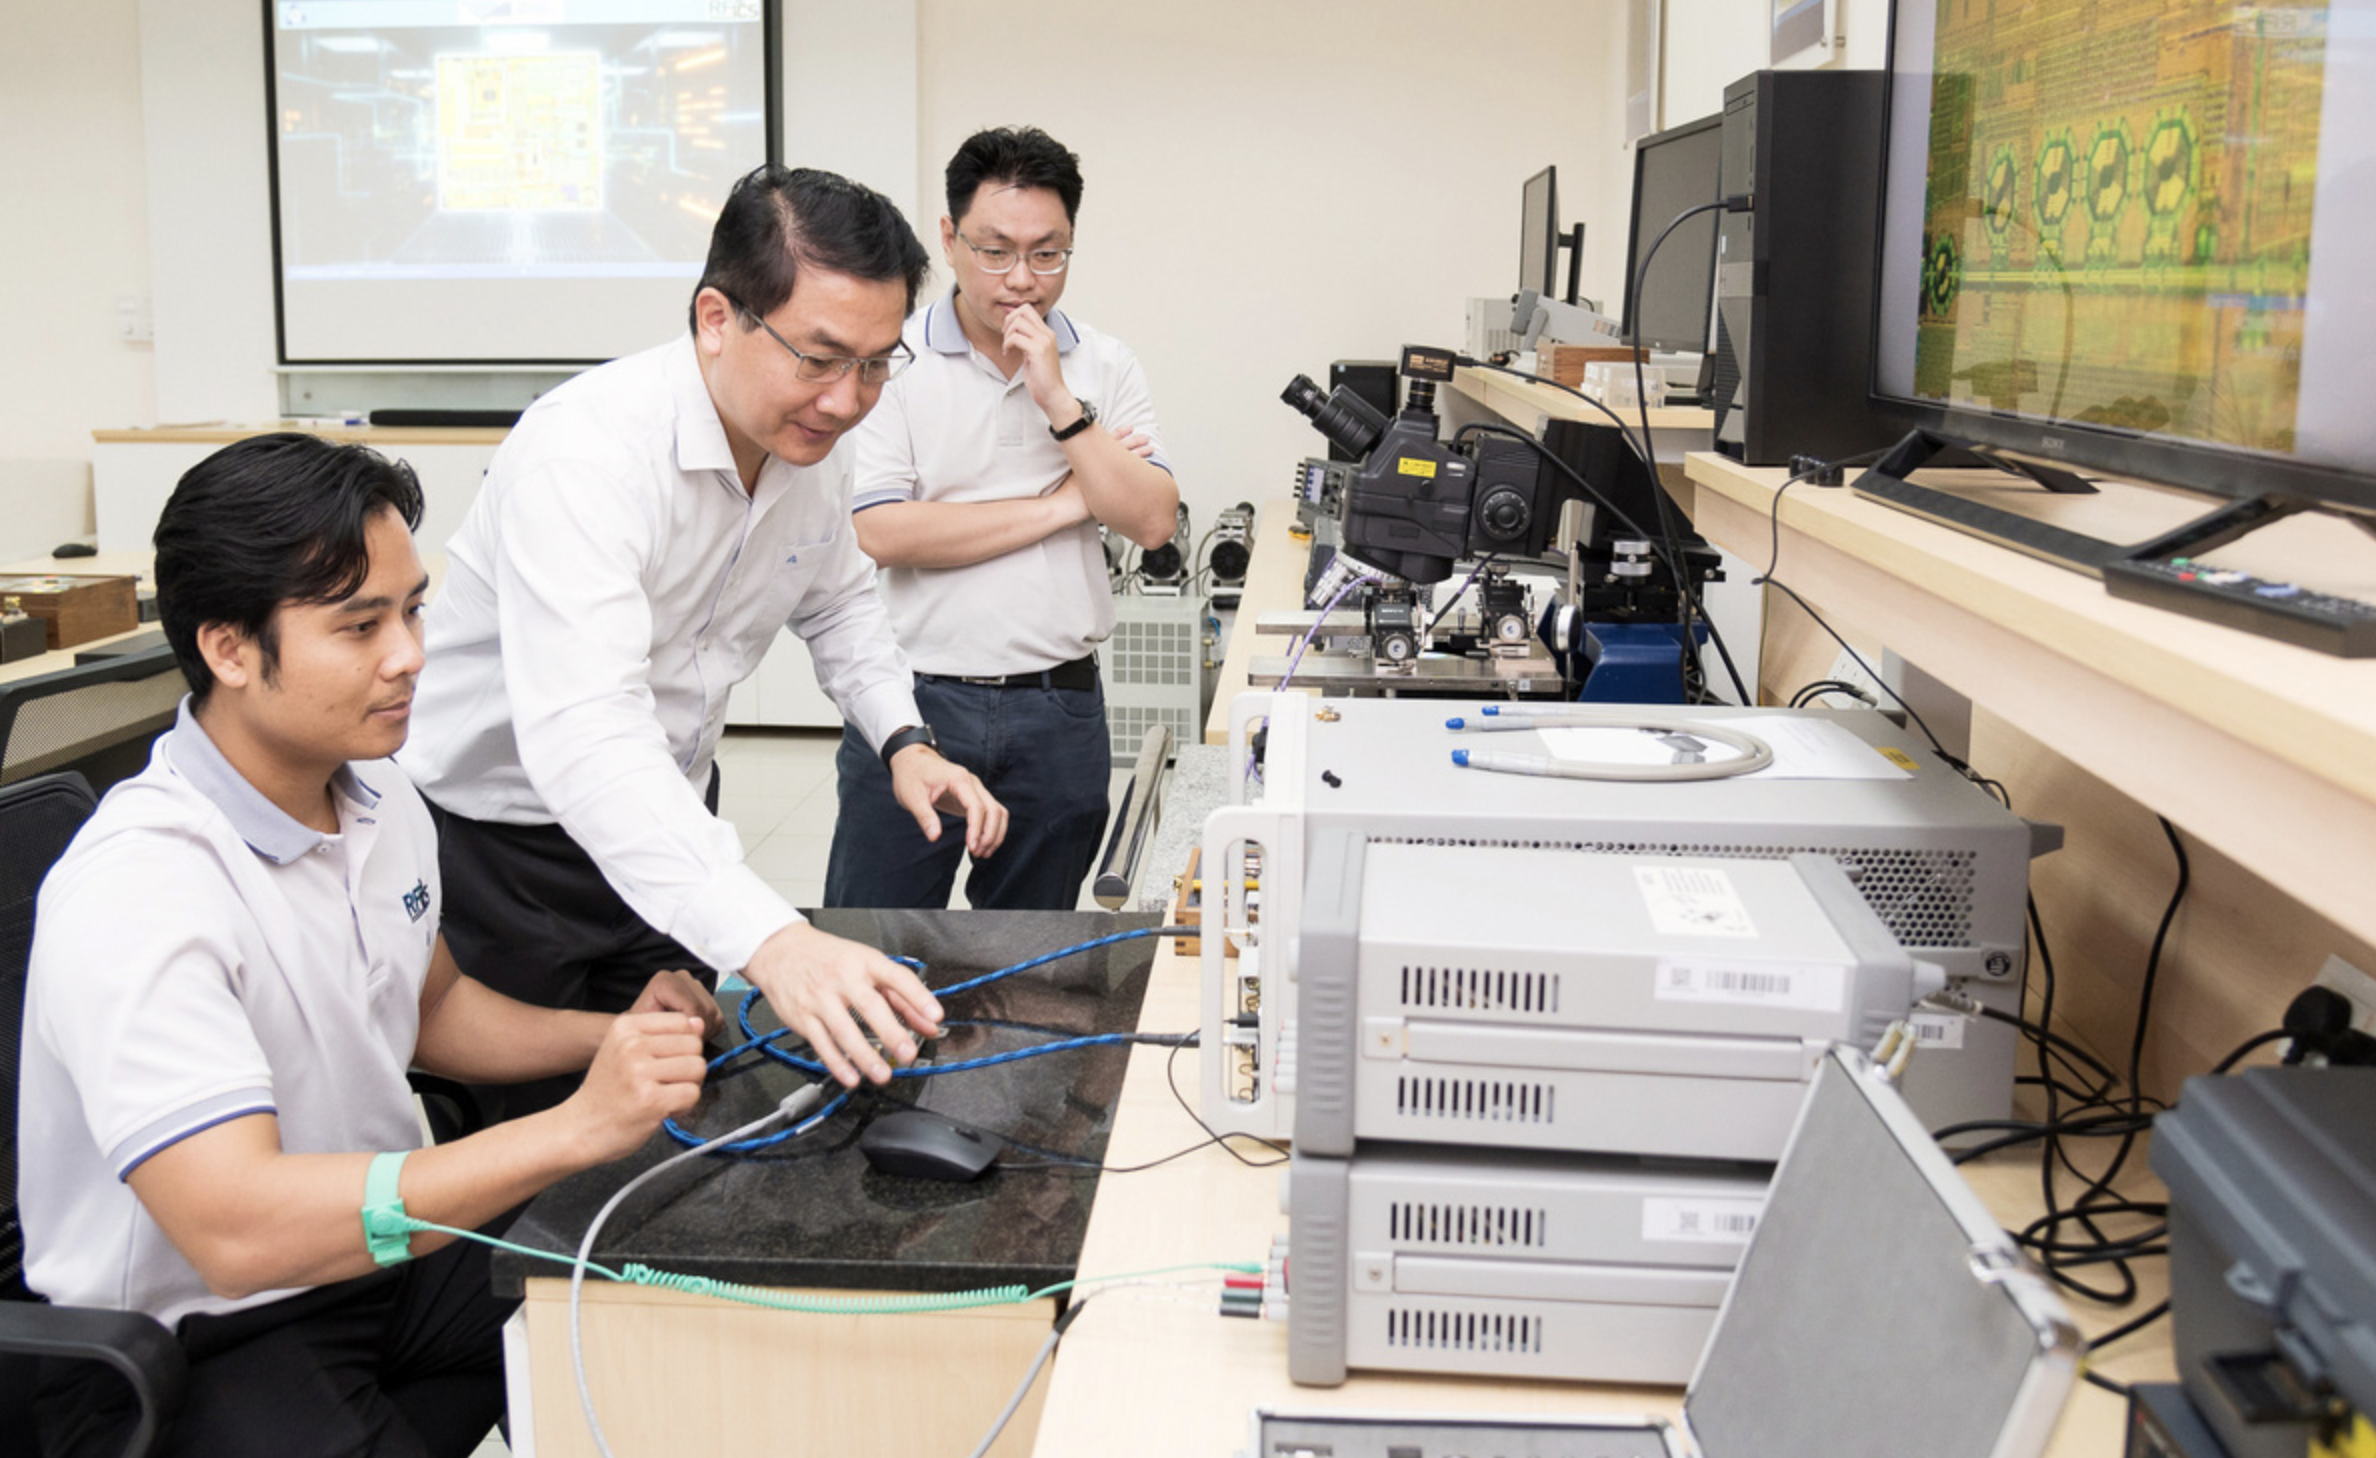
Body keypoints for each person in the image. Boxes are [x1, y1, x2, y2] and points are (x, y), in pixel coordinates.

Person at [18, 433, 726, 1458]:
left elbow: (431, 1009)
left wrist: (616, 1037)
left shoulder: (381, 791)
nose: (410, 655)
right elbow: (237, 1229)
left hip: (374, 1260)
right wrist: (578, 1127)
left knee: (642, 1310)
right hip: (201, 1332)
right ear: (228, 649)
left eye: (413, 609)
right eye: (360, 626)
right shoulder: (143, 887)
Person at [403, 166, 1008, 1105]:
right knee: (540, 1150)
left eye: (878, 363)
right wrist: (777, 943)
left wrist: (903, 739)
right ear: (718, 319)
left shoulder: (810, 447)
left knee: (682, 1099)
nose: (848, 401)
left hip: (672, 817)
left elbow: (840, 602)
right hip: (506, 854)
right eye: (820, 357)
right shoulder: (585, 456)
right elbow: (586, 734)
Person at [826, 126, 1180, 911]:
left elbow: (1152, 519)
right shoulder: (891, 358)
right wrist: (1065, 503)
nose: (1022, 280)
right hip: (914, 700)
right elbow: (882, 531)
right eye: (995, 251)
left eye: (1046, 254)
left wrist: (1060, 401)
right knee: (876, 939)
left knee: (1032, 965)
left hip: (1059, 707)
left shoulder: (1105, 365)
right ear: (949, 240)